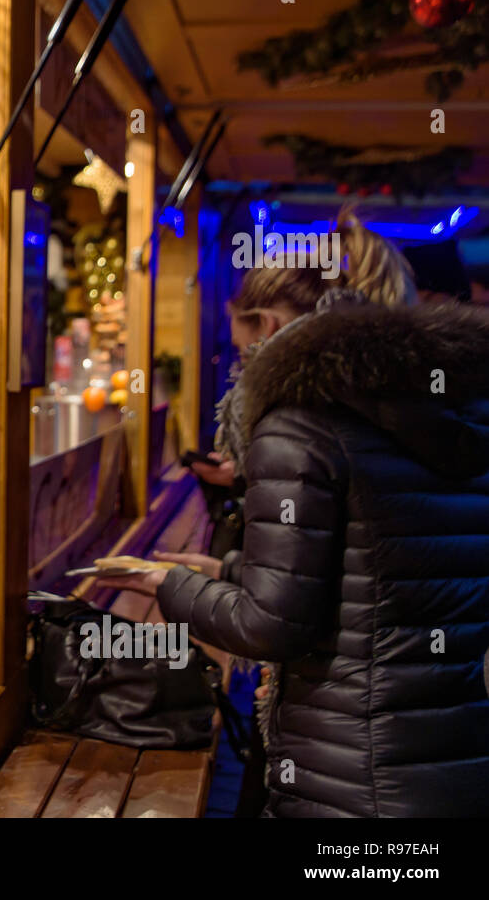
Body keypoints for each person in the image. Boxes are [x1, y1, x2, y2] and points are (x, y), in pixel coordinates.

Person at [104, 226, 489, 816]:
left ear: (271, 328)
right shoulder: (449, 407)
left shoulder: (301, 422)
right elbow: (377, 575)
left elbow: (272, 627)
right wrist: (230, 568)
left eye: (241, 350)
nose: (241, 369)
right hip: (453, 765)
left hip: (348, 777)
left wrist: (168, 586)